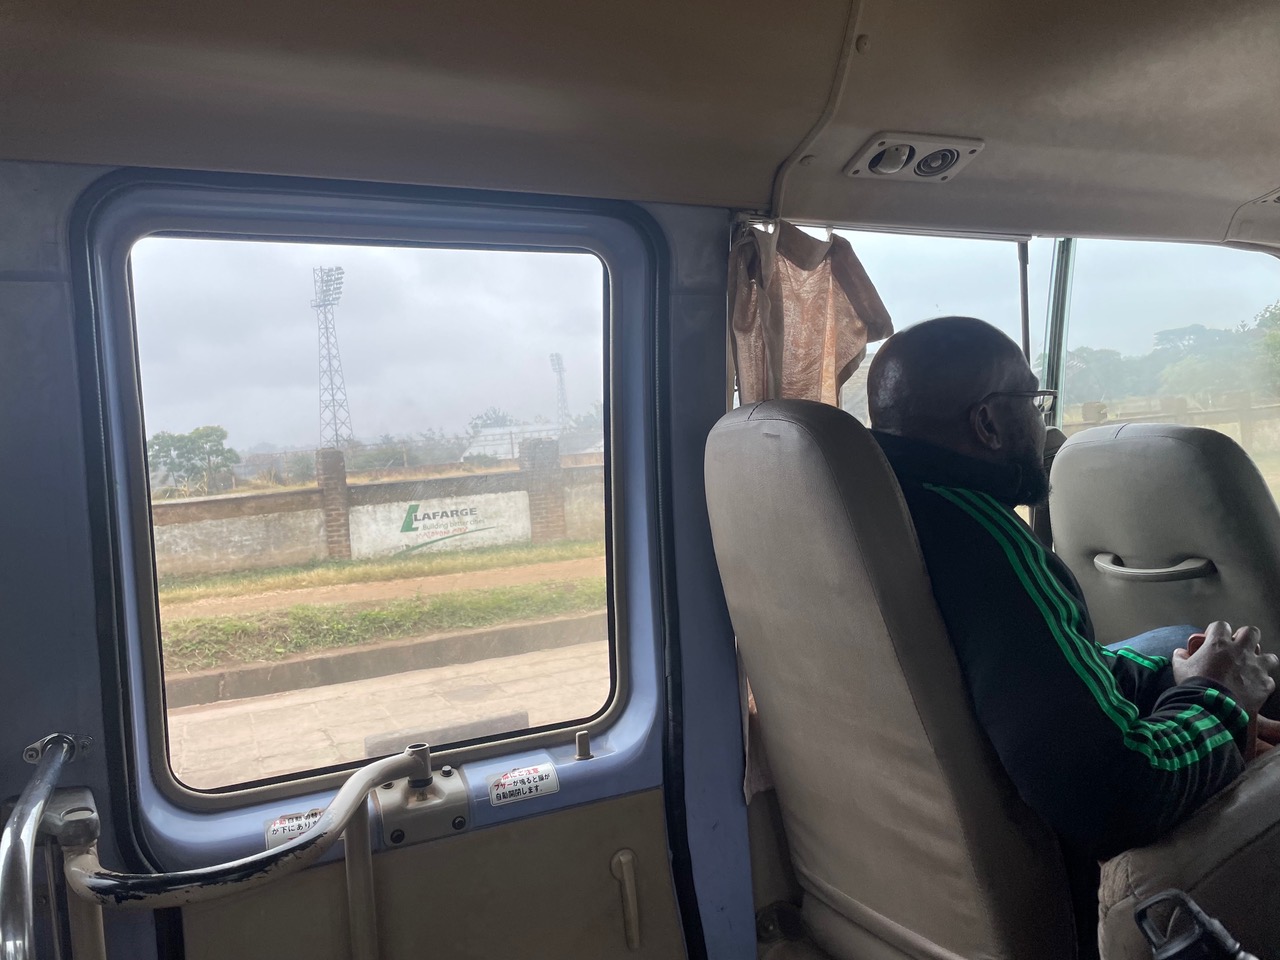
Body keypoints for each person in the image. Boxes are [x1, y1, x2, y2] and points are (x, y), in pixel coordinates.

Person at [865, 316, 1279, 946]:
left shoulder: (880, 505)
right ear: (987, 423)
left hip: (916, 863)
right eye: (1033, 402)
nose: (1043, 423)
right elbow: (1116, 797)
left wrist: (1179, 677)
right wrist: (1220, 700)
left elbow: (1038, 672)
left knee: (1172, 640)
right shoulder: (984, 540)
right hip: (1074, 878)